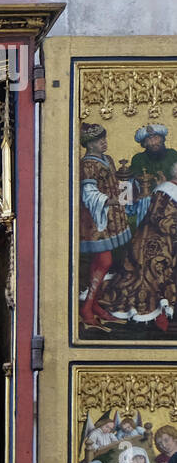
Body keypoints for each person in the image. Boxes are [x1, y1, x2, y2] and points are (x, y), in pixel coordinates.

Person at [78, 123, 142, 328]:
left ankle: (94, 304)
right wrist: (109, 200)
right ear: (89, 144)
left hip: (111, 217)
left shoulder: (108, 159)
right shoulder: (87, 164)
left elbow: (114, 182)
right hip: (96, 219)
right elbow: (89, 193)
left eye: (104, 138)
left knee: (101, 261)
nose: (104, 142)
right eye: (99, 140)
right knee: (104, 261)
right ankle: (87, 308)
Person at [100, 160, 177, 330]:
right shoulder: (167, 191)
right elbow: (161, 221)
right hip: (153, 240)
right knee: (156, 266)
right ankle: (160, 312)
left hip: (166, 239)